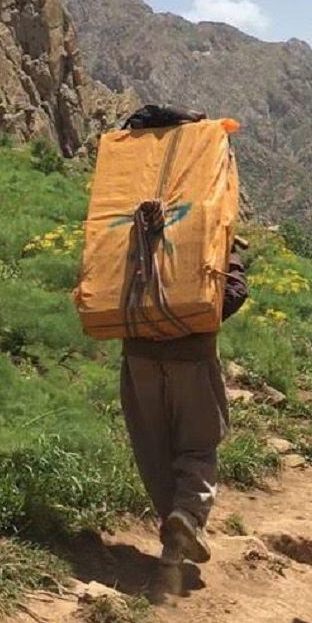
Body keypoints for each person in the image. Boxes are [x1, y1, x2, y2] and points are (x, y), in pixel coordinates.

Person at [120, 239, 247, 567]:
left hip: (139, 357)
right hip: (191, 357)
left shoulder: (128, 230)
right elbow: (235, 291)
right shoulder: (207, 231)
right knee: (197, 443)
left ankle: (174, 538)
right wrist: (192, 321)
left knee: (154, 447)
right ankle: (188, 515)